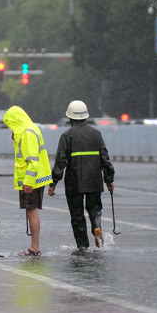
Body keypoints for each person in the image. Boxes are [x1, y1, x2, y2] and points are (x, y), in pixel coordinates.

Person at [49, 100, 115, 248]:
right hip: (94, 181)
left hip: (74, 182)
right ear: (85, 116)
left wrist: (53, 183)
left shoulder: (67, 136)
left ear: (70, 117)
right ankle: (96, 227)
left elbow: (61, 162)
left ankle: (83, 245)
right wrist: (109, 179)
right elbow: (105, 158)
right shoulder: (96, 134)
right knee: (95, 209)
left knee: (77, 215)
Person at [3, 106, 53, 257]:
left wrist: (28, 181)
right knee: (32, 211)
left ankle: (34, 248)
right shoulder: (30, 129)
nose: (10, 128)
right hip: (35, 178)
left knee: (32, 212)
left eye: (10, 124)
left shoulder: (27, 133)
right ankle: (34, 247)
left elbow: (32, 161)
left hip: (32, 180)